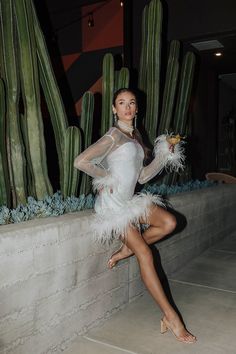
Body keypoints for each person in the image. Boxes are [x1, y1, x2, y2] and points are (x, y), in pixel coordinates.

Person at [74, 88, 196, 344]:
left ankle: (125, 251)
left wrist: (165, 155)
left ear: (136, 108)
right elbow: (81, 161)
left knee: (169, 222)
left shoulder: (136, 137)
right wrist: (104, 177)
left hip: (129, 201)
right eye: (121, 103)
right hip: (113, 206)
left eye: (131, 103)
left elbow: (142, 176)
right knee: (146, 254)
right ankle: (170, 317)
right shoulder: (113, 136)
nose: (127, 107)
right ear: (114, 109)